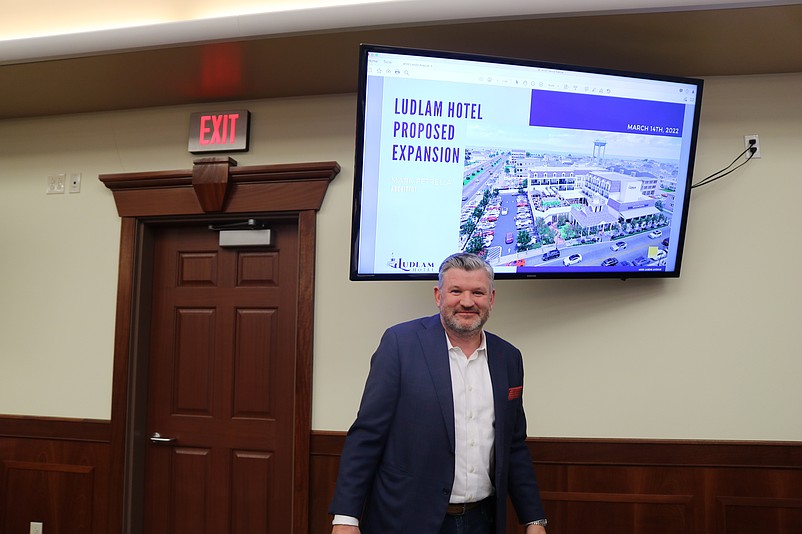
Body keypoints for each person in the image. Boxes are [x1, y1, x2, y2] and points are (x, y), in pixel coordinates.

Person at [329, 252, 548, 534]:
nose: (467, 302)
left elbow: (514, 445)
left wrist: (534, 520)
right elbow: (367, 436)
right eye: (456, 291)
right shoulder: (400, 344)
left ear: (491, 299)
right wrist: (346, 518)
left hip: (481, 520)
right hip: (406, 519)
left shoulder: (508, 357)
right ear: (438, 295)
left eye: (478, 292)